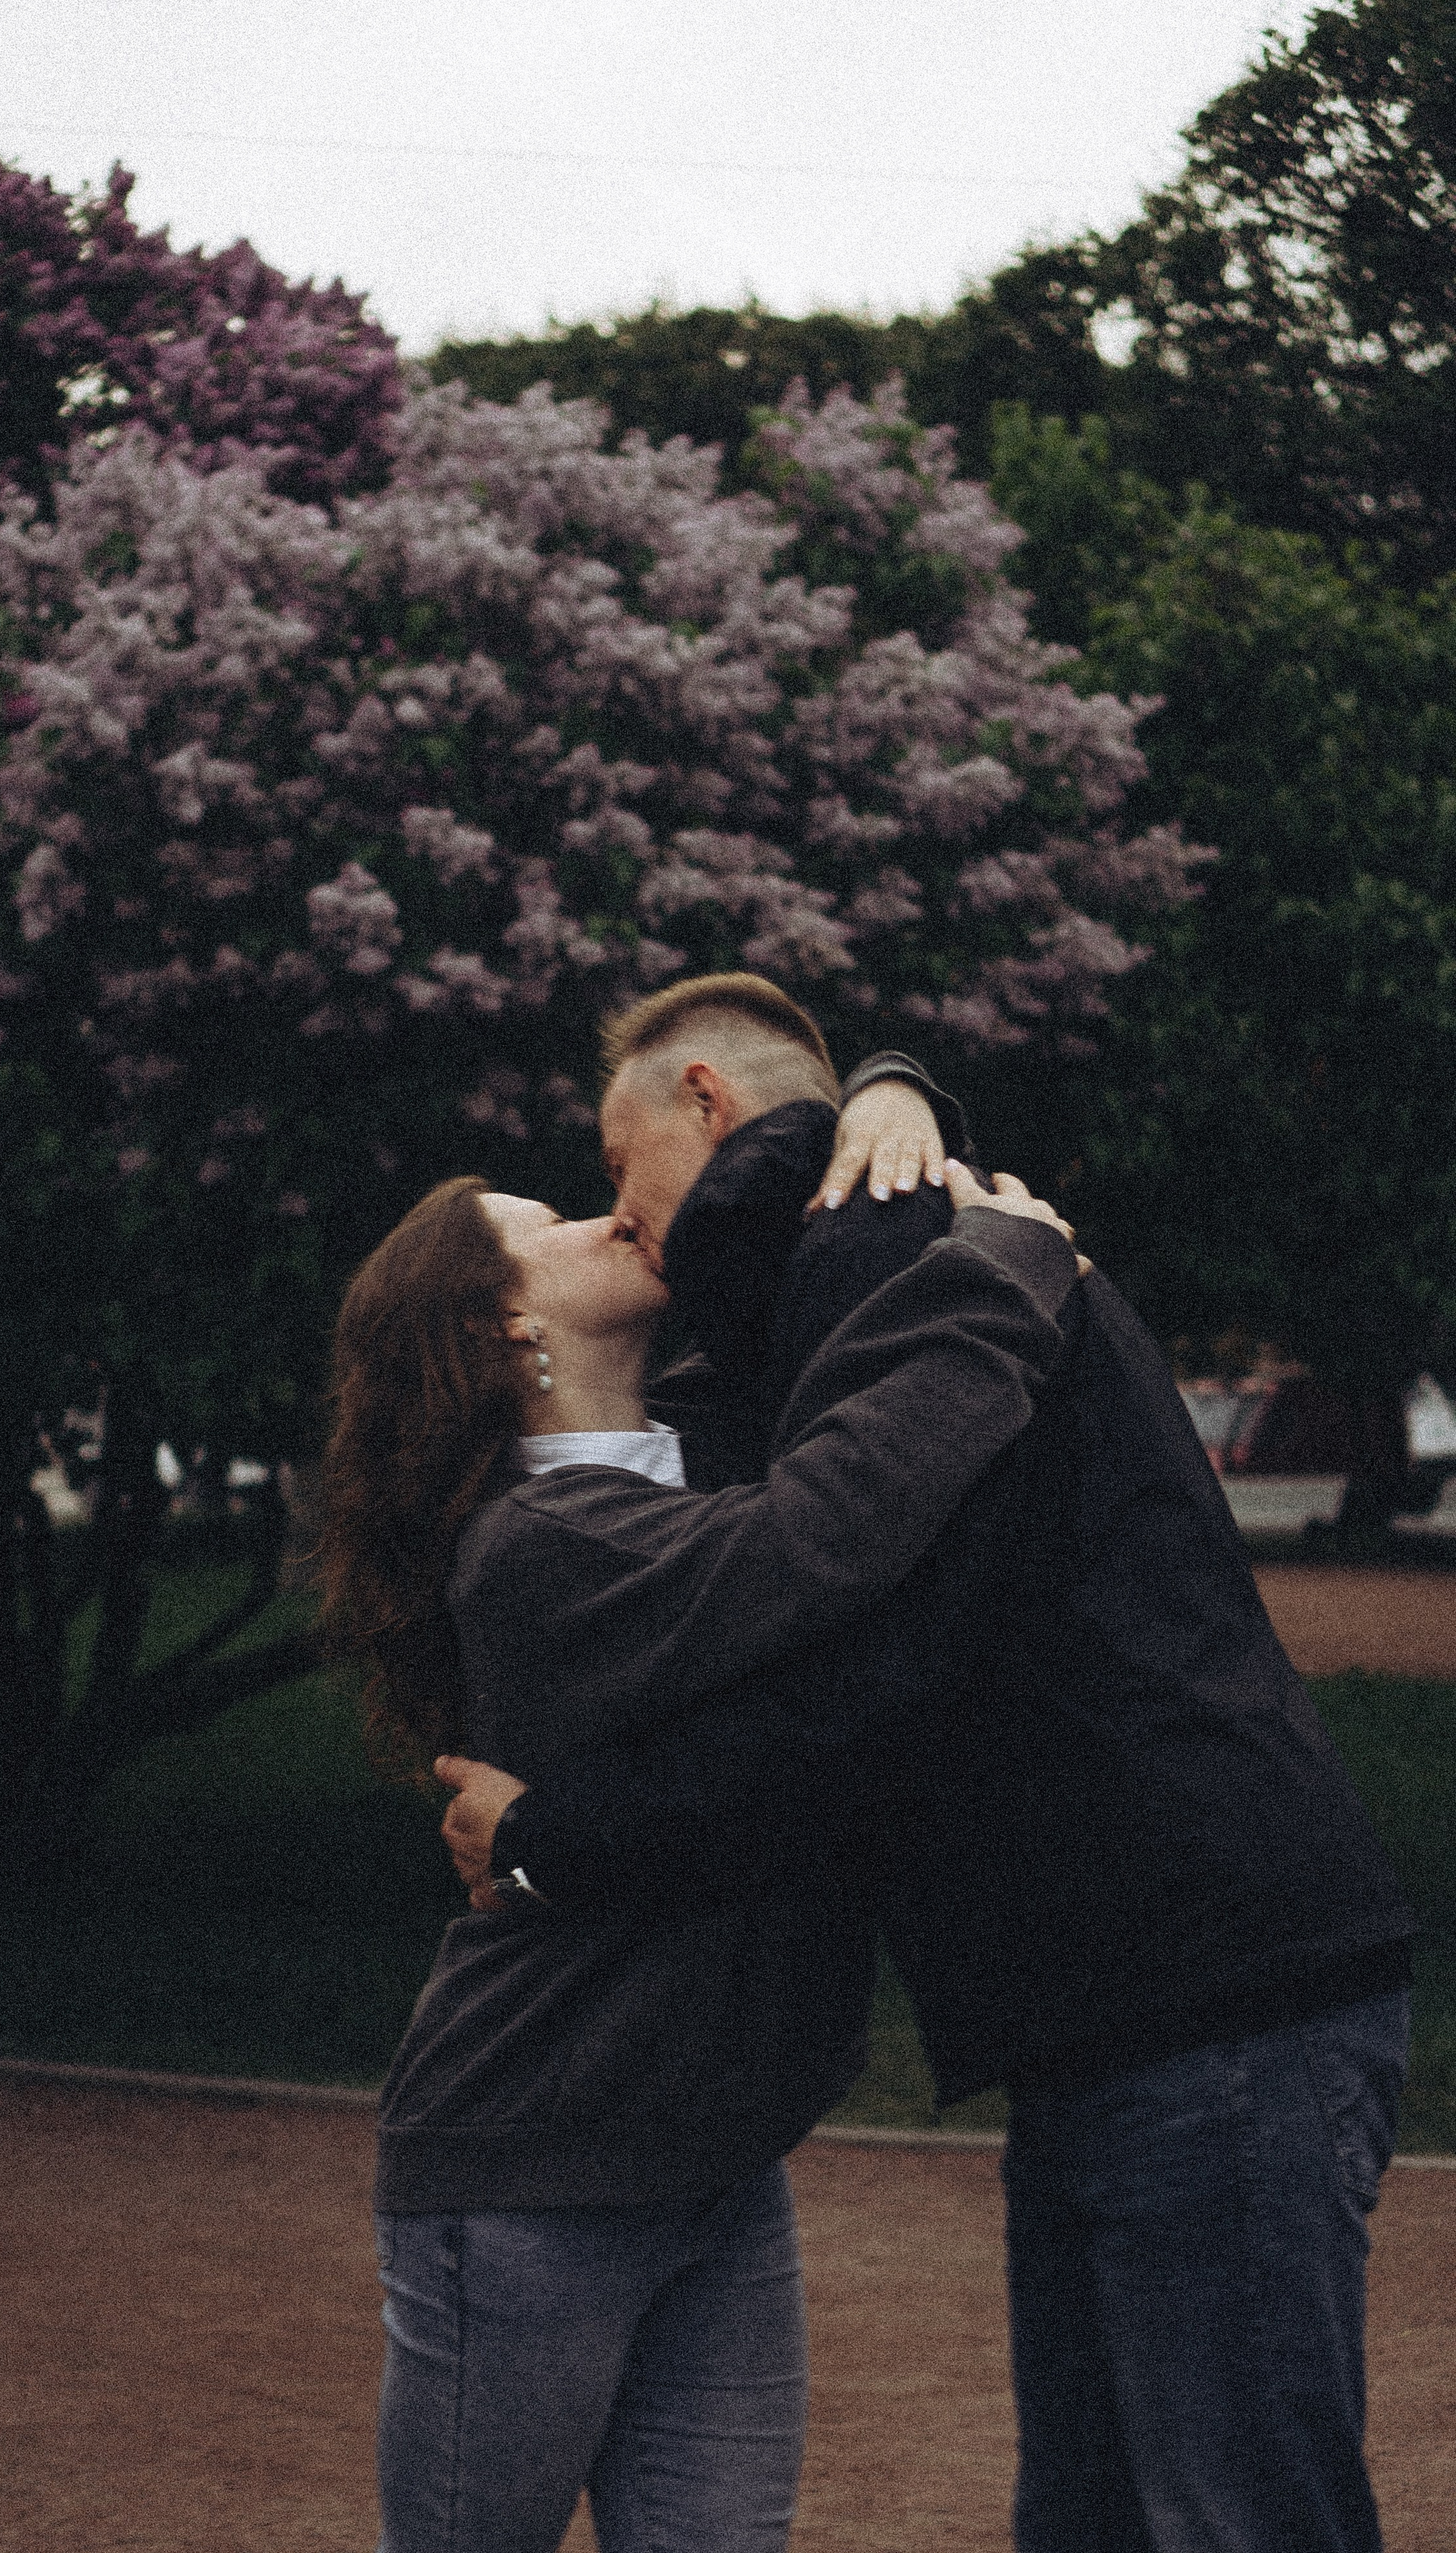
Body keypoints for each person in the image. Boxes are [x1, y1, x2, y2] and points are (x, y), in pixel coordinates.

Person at [439, 972, 1417, 2553]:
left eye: (620, 1168)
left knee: (1235, 2516)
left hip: (1207, 1991)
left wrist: (569, 1837)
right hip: (1131, 2002)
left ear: (705, 1104)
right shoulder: (847, 1265)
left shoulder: (882, 1249)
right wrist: (906, 1081)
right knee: (1102, 2514)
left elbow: (880, 1669)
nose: (623, 1219)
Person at [319, 1148, 1082, 2553]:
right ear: (503, 1327)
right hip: (532, 2160)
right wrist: (1006, 1271)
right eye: (543, 1228)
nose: (608, 1211)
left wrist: (900, 1097)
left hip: (718, 2158)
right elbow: (830, 1535)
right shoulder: (540, 1543)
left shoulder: (688, 1458)